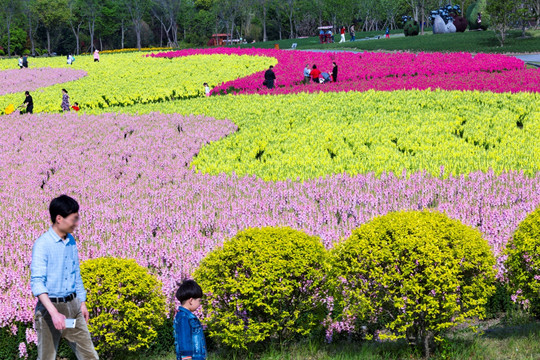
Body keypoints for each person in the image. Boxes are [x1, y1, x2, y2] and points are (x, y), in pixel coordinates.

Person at [30, 195, 99, 360]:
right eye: (74, 219)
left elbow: (75, 273)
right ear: (59, 219)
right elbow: (37, 283)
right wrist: (54, 313)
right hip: (49, 311)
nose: (77, 224)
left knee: (89, 356)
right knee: (47, 357)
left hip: (73, 310)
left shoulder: (71, 241)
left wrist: (81, 303)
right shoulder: (42, 245)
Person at [174, 279, 207, 360]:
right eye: (199, 300)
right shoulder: (184, 317)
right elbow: (184, 341)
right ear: (191, 300)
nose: (200, 303)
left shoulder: (188, 317)